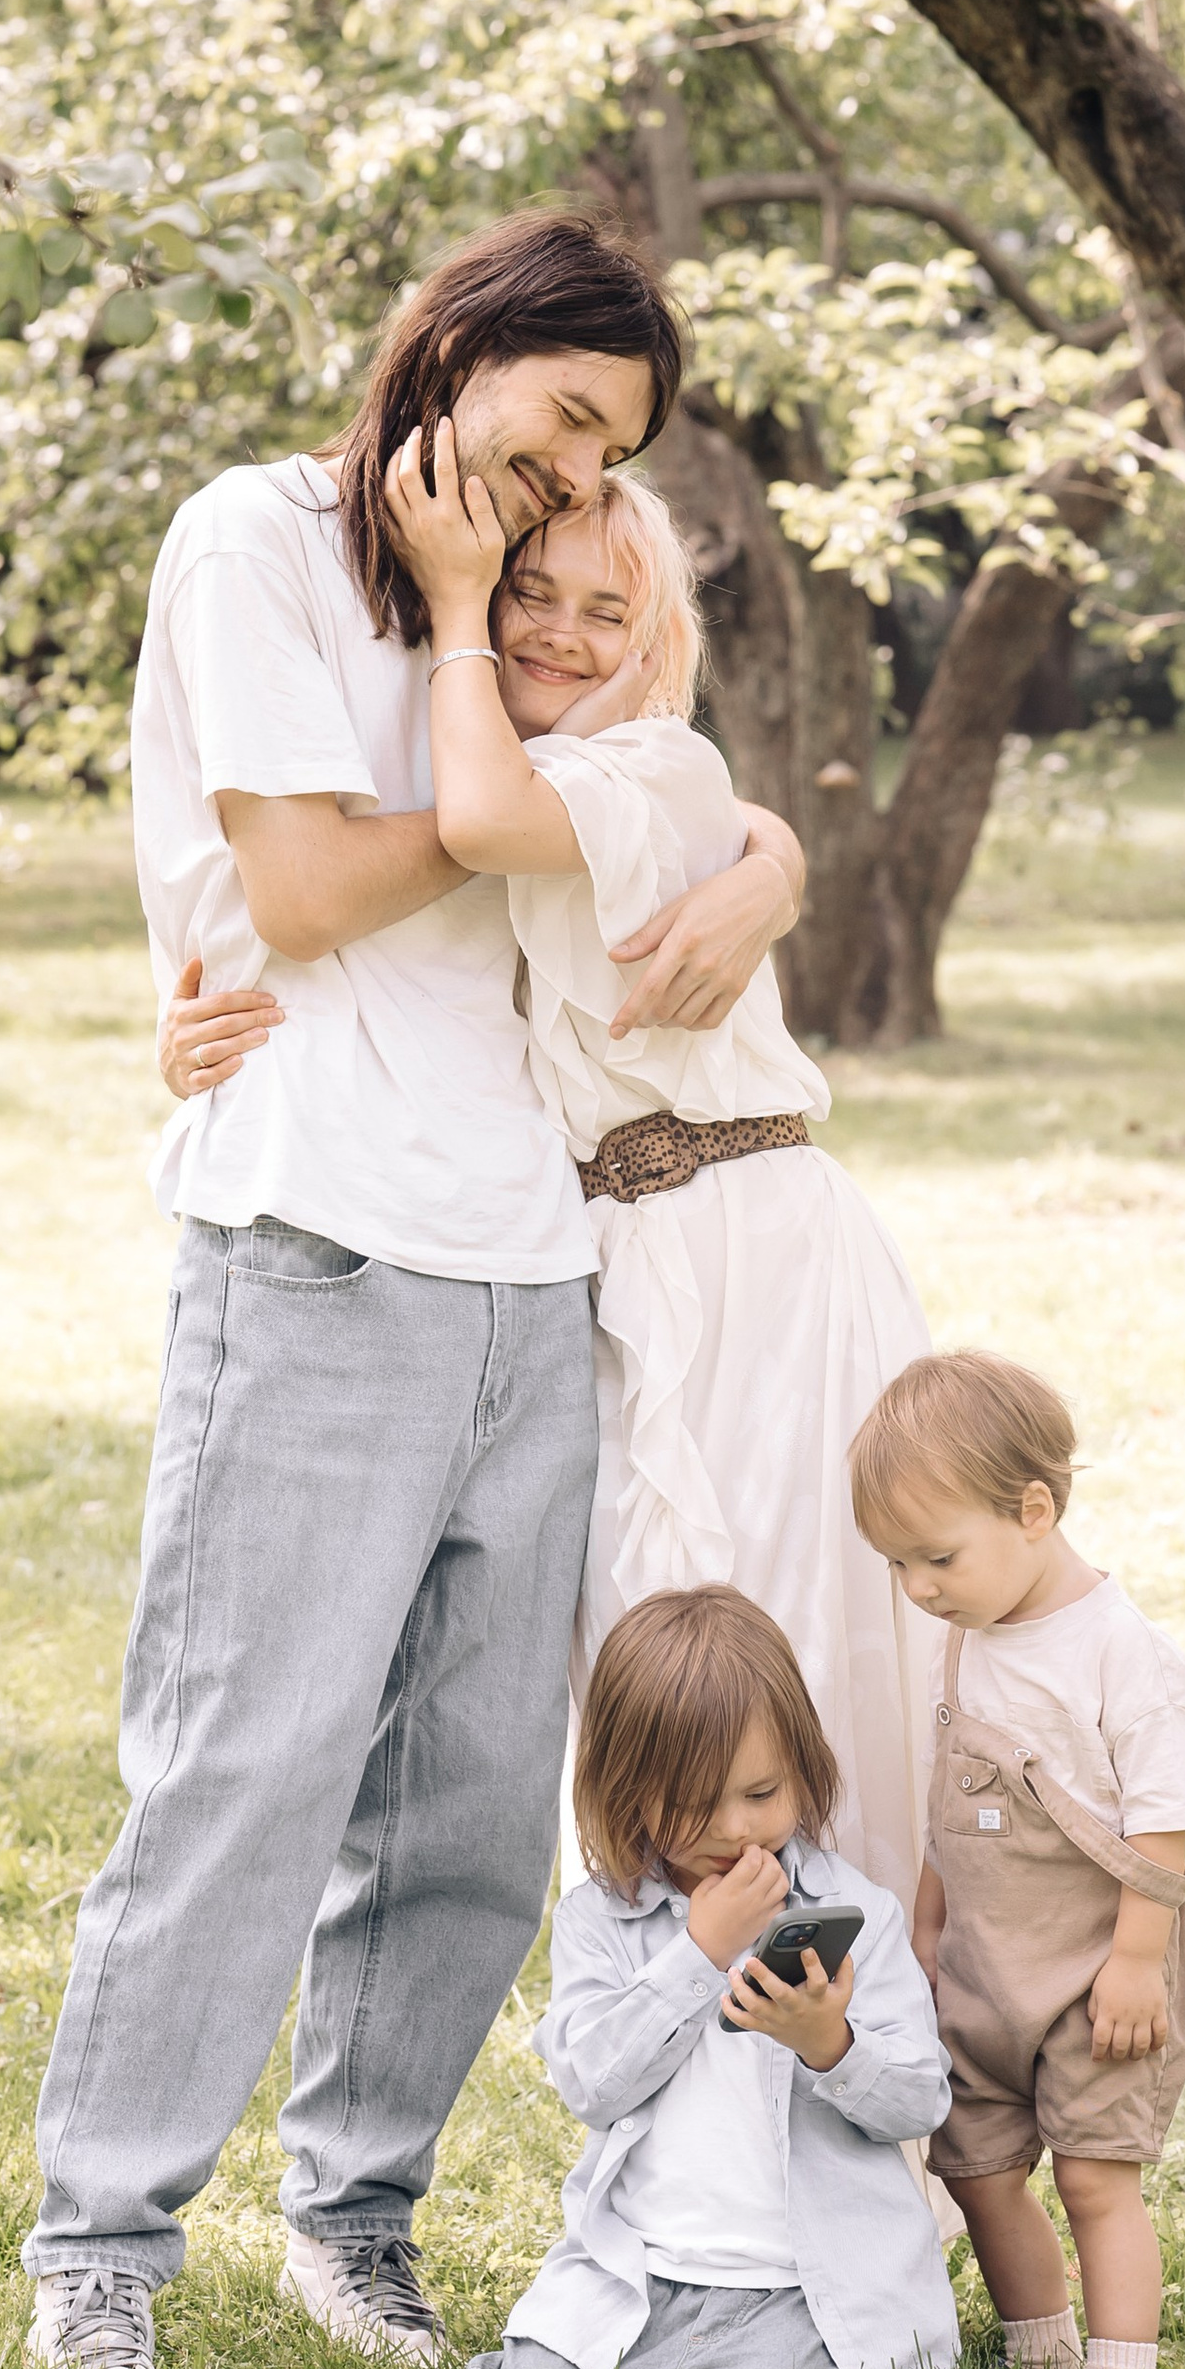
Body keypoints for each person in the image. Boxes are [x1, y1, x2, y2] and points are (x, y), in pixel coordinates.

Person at [22, 211, 803, 2369]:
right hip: (318, 1243)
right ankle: (99, 2244)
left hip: (539, 1274)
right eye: (560, 422)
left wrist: (753, 851)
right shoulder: (256, 544)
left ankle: (353, 2217)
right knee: (242, 1772)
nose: (574, 486)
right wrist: (502, 753)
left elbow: (668, 794)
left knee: (467, 1809)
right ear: (453, 349)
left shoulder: (541, 617)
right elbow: (302, 889)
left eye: (611, 455)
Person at [375, 437, 936, 1899]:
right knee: (648, 1662)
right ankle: (674, 2061)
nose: (560, 631)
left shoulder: (655, 766)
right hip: (621, 1266)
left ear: (654, 641)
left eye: (604, 612)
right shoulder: (518, 779)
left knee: (798, 1635)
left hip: (757, 1244)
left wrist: (450, 609)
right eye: (527, 594)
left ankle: (856, 2053)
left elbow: (493, 817)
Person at [461, 1587, 958, 2369]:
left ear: (804, 1767)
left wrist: (827, 2045)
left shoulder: (857, 1914)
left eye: (762, 1792)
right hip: (638, 2278)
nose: (735, 1829)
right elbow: (591, 2081)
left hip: (797, 2290)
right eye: (695, 1801)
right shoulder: (599, 1921)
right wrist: (697, 1950)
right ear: (629, 1791)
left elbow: (922, 2099)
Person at [851, 1349, 1185, 2369]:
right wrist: (926, 1913)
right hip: (982, 1964)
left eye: (937, 1557)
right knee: (976, 2161)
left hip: (1098, 1973)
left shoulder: (1118, 1650)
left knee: (1095, 2173)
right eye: (897, 1566)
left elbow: (1165, 1822)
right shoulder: (965, 1637)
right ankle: (1037, 2345)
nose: (918, 1588)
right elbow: (950, 1794)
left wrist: (1136, 1964)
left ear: (1035, 1510)